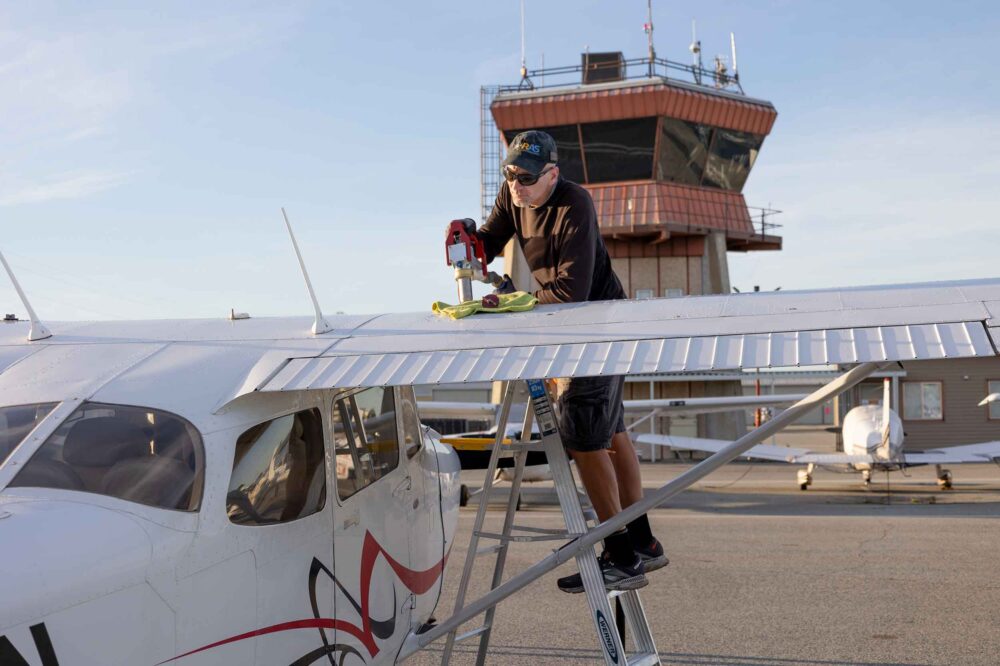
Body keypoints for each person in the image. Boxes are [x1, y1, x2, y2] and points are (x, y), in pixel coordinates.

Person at [469, 129, 667, 593]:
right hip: (570, 327)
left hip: (598, 325)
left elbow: (569, 293)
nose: (516, 185)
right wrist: (467, 243)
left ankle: (620, 556)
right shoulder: (512, 194)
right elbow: (490, 239)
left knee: (582, 434)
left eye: (527, 178)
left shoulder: (575, 204)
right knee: (612, 432)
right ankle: (643, 542)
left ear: (552, 174)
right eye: (510, 174)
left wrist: (510, 301)